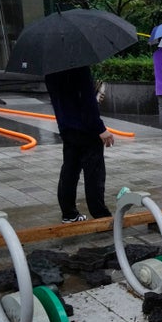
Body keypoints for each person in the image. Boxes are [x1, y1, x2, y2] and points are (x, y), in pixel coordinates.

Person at [45, 66, 114, 223]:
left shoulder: (50, 70)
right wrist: (100, 129)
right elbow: (86, 101)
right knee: (94, 174)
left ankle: (69, 213)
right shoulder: (79, 66)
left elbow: (64, 98)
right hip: (87, 130)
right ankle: (100, 215)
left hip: (66, 128)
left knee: (69, 170)